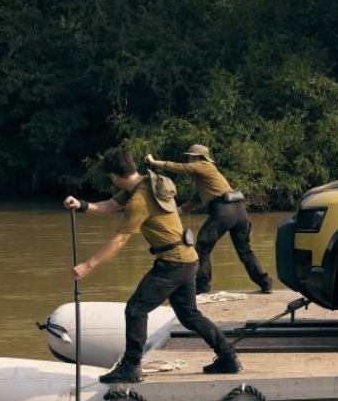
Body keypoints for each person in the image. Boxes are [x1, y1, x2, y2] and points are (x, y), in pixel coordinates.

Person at [64, 147, 241, 383]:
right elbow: (109, 205)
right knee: (189, 315)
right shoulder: (149, 182)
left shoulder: (138, 200)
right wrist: (81, 205)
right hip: (188, 258)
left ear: (114, 177)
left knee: (136, 309)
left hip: (173, 263)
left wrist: (88, 265)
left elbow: (119, 242)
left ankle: (130, 366)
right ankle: (228, 357)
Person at [145, 144, 272, 295]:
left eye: (190, 157)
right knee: (245, 251)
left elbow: (179, 167)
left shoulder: (204, 165)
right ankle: (266, 284)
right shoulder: (206, 179)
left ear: (198, 158)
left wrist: (153, 162)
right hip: (239, 211)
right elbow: (194, 201)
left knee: (202, 248)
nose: (189, 159)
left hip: (224, 211)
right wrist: (174, 212)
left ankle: (202, 288)